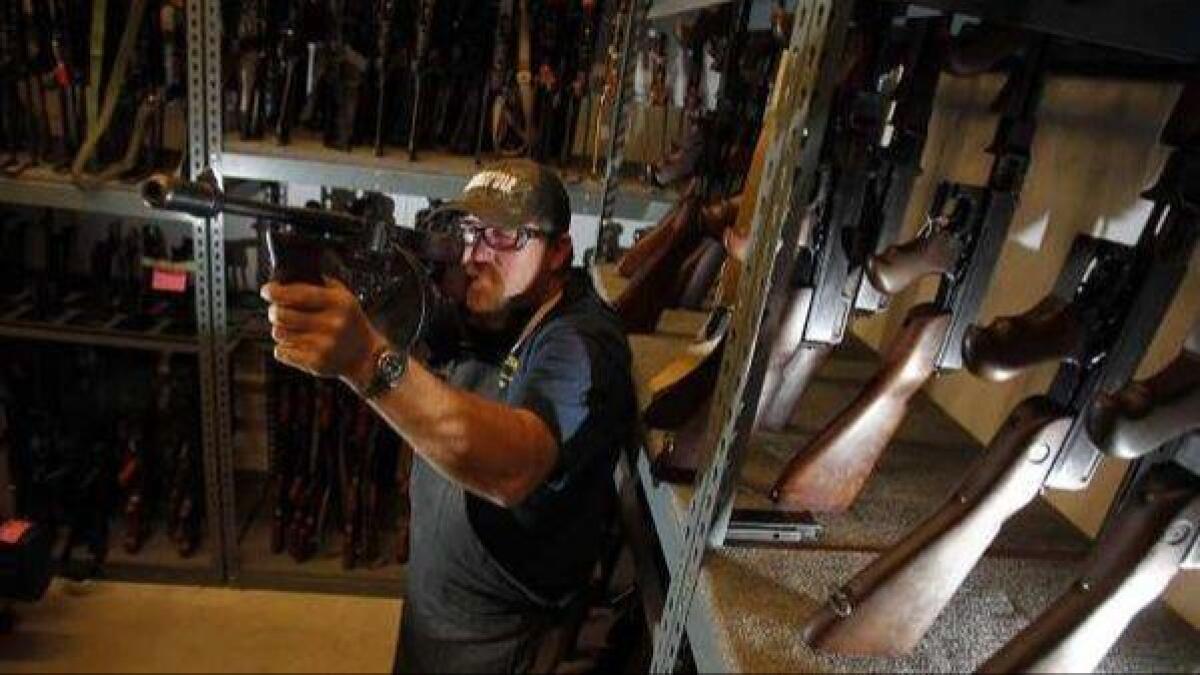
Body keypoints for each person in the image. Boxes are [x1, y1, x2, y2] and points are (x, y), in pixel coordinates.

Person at [260, 160, 637, 673]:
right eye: (470, 231)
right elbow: (408, 319)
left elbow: (516, 467)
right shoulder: (484, 306)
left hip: (502, 637)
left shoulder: (580, 342)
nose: (476, 254)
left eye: (504, 236)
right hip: (431, 612)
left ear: (558, 253)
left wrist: (367, 360)